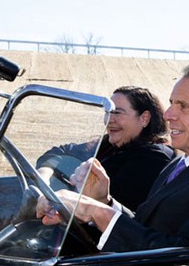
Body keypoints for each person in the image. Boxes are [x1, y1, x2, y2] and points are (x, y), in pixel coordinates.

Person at [36, 63, 189, 251]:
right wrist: (105, 202)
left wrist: (97, 212)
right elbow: (147, 227)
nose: (168, 114)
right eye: (172, 103)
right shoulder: (184, 161)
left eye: (183, 106)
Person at [36, 86, 174, 211]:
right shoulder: (110, 144)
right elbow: (62, 152)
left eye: (117, 113)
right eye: (108, 112)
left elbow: (115, 209)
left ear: (144, 118)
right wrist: (45, 175)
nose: (109, 119)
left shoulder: (154, 157)